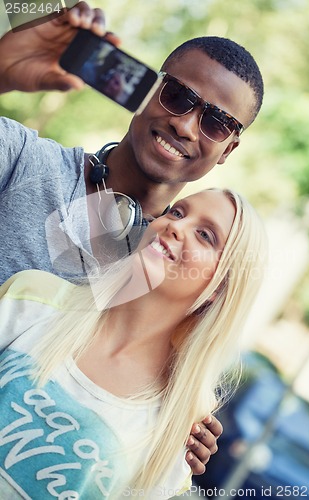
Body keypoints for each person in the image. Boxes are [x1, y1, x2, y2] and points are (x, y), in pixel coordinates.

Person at [0, 1, 264, 473]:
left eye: (216, 122)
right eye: (178, 96)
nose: (185, 125)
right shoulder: (21, 158)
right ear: (148, 89)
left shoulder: (176, 273)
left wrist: (161, 428)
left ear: (229, 148)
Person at [0, 188, 268, 499]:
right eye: (177, 212)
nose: (176, 226)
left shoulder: (179, 423)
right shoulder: (35, 297)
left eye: (205, 235)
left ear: (218, 290)